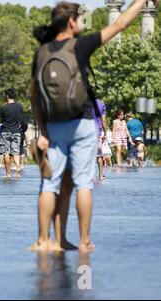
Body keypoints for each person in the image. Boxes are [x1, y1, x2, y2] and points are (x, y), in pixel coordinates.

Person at [29, 0, 157, 252]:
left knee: (52, 184)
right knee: (83, 183)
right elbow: (120, 24)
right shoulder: (80, 45)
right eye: (80, 18)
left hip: (54, 125)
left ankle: (46, 240)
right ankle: (84, 241)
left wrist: (42, 130)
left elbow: (33, 95)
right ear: (71, 22)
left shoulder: (42, 52)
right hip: (82, 123)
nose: (82, 22)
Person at [94, 99, 108, 181]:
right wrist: (105, 133)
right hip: (96, 131)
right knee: (98, 155)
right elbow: (103, 121)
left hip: (83, 131)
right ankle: (100, 176)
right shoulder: (101, 103)